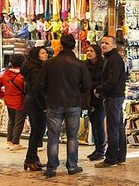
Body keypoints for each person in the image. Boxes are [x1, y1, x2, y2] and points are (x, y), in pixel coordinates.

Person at [38, 34, 91, 177]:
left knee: (53, 137)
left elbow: (40, 84)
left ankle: (51, 168)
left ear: (60, 45)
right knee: (72, 136)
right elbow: (87, 86)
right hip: (73, 103)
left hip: (54, 102)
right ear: (74, 46)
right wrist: (76, 91)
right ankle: (72, 166)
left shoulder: (49, 63)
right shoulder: (80, 64)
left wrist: (49, 95)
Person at [95, 36, 128, 168]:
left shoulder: (113, 59)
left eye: (107, 43)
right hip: (115, 97)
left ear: (113, 45)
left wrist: (99, 89)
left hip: (113, 97)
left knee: (113, 128)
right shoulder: (111, 58)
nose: (103, 45)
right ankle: (120, 156)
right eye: (102, 43)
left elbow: (112, 80)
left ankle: (111, 159)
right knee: (118, 127)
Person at [20, 46, 47, 172]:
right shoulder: (36, 69)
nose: (45, 54)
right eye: (42, 53)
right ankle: (29, 160)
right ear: (37, 55)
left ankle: (33, 158)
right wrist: (44, 105)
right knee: (37, 131)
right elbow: (38, 89)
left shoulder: (32, 66)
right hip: (36, 102)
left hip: (32, 101)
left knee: (37, 132)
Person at [0, 54, 27, 151]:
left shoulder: (5, 74)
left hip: (8, 100)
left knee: (11, 121)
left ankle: (9, 141)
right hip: (20, 100)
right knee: (19, 122)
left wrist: (2, 95)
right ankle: (15, 143)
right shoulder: (22, 75)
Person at [83, 44, 106, 161]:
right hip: (89, 99)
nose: (89, 53)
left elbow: (103, 81)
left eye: (91, 51)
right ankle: (97, 149)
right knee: (94, 123)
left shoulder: (103, 65)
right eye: (87, 50)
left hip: (99, 98)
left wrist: (95, 87)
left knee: (98, 123)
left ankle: (101, 149)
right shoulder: (85, 65)